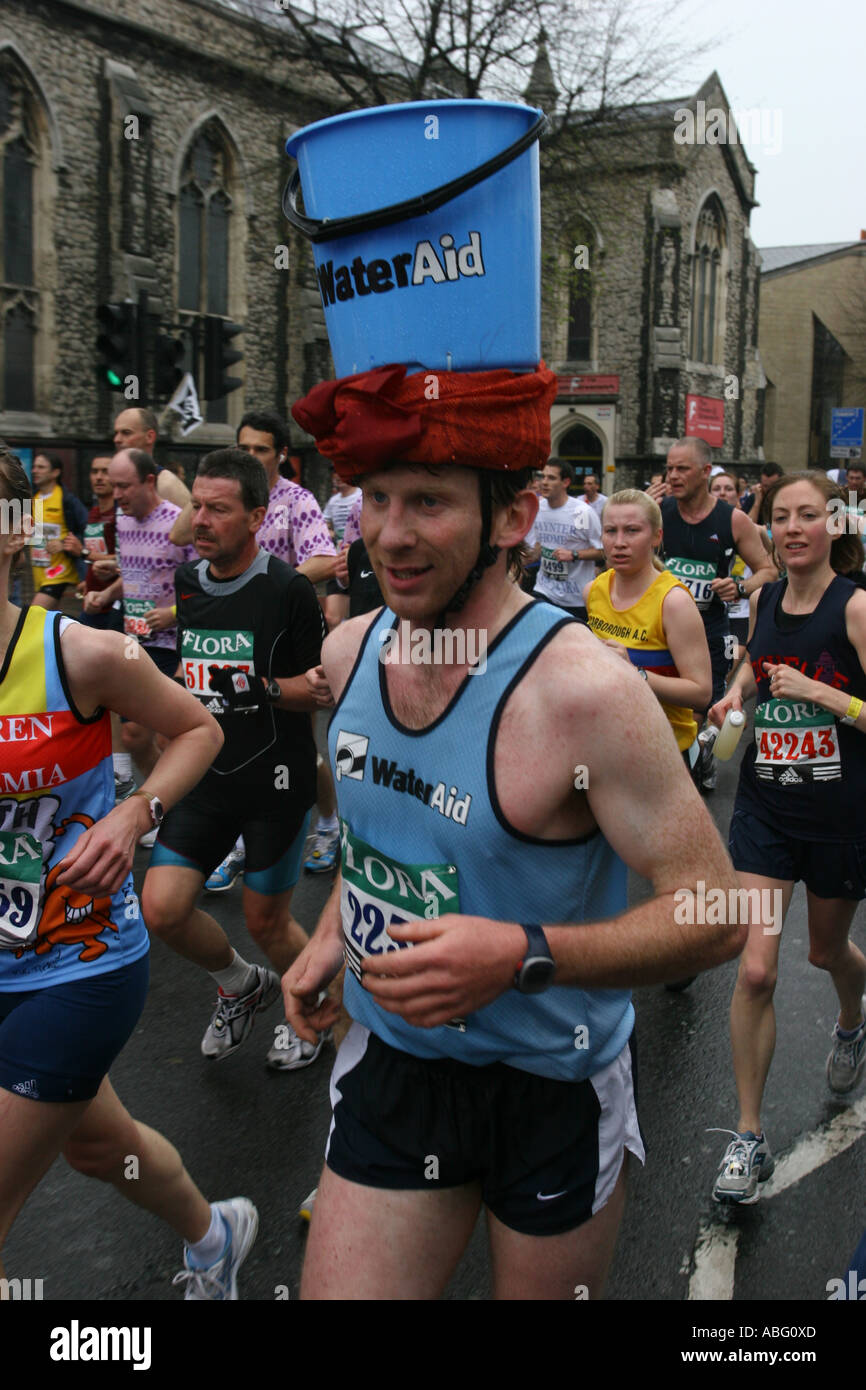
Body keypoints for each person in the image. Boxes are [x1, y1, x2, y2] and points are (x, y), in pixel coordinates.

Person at [281, 361, 744, 1300]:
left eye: (428, 501)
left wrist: (523, 952)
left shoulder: (587, 695)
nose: (392, 535)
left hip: (552, 1082)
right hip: (394, 1064)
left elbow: (717, 910)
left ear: (512, 520)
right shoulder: (349, 651)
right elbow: (382, 833)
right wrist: (332, 935)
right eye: (376, 497)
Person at [0, 448, 259, 1300]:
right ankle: (214, 1234)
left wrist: (131, 812)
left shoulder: (75, 654)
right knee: (95, 1145)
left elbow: (199, 731)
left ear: (10, 539)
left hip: (78, 963)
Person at [141, 448, 328, 1072]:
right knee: (162, 909)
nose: (200, 520)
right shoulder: (189, 581)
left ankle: (313, 1011)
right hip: (207, 778)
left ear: (255, 516)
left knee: (267, 920)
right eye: (197, 505)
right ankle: (242, 984)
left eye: (217, 510)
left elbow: (320, 687)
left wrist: (262, 686)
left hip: (275, 779)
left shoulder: (288, 588)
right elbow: (193, 675)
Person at [710, 472, 866, 1205]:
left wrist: (827, 695)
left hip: (840, 821)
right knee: (756, 971)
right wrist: (737, 689)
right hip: (766, 812)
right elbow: (756, 660)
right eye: (782, 517)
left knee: (826, 951)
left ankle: (850, 1022)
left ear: (834, 526)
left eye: (809, 515)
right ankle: (748, 1136)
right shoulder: (767, 596)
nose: (795, 527)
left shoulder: (857, 607)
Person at [647, 437, 776, 790]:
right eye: (669, 468)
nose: (672, 476)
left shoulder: (732, 520)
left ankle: (701, 763)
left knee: (701, 708)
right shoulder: (658, 512)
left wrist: (739, 587)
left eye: (682, 469)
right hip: (660, 631)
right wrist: (642, 513)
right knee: (659, 706)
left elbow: (767, 570)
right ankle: (669, 775)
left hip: (709, 631)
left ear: (705, 471)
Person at [98, 450, 194, 828]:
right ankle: (162, 803)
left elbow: (201, 583)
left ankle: (172, 809)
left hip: (172, 643)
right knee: (133, 734)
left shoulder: (178, 525)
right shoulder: (122, 522)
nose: (116, 492)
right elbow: (133, 572)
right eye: (113, 484)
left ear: (149, 482)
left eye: (124, 485)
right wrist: (107, 595)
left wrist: (171, 614)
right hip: (133, 639)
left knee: (162, 735)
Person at [585, 489, 711, 776]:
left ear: (656, 537)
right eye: (610, 531)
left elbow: (702, 693)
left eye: (632, 531)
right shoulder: (592, 591)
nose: (619, 543)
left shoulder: (673, 601)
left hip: (665, 754)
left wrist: (636, 672)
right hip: (606, 749)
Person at [526, 457, 603, 621]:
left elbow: (602, 551)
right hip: (544, 590)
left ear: (565, 482)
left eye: (551, 478)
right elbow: (538, 545)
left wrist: (573, 554)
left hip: (575, 599)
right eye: (543, 477)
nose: (544, 483)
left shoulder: (581, 512)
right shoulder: (538, 507)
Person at [28, 453, 88, 611]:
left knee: (33, 615)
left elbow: (88, 530)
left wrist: (63, 544)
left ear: (55, 472)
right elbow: (37, 534)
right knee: (49, 623)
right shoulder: (34, 499)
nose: (35, 471)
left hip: (59, 573)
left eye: (41, 467)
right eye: (34, 467)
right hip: (39, 573)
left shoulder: (66, 500)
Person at [113, 408, 191, 509]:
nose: (117, 439)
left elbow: (192, 522)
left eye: (126, 433)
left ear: (149, 437)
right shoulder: (116, 481)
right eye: (116, 433)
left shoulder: (166, 485)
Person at [709, 471, 752, 649]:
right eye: (716, 489)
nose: (722, 493)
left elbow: (771, 569)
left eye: (728, 488)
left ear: (739, 494)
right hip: (713, 613)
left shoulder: (749, 528)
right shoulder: (702, 529)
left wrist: (740, 588)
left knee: (731, 665)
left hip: (740, 613)